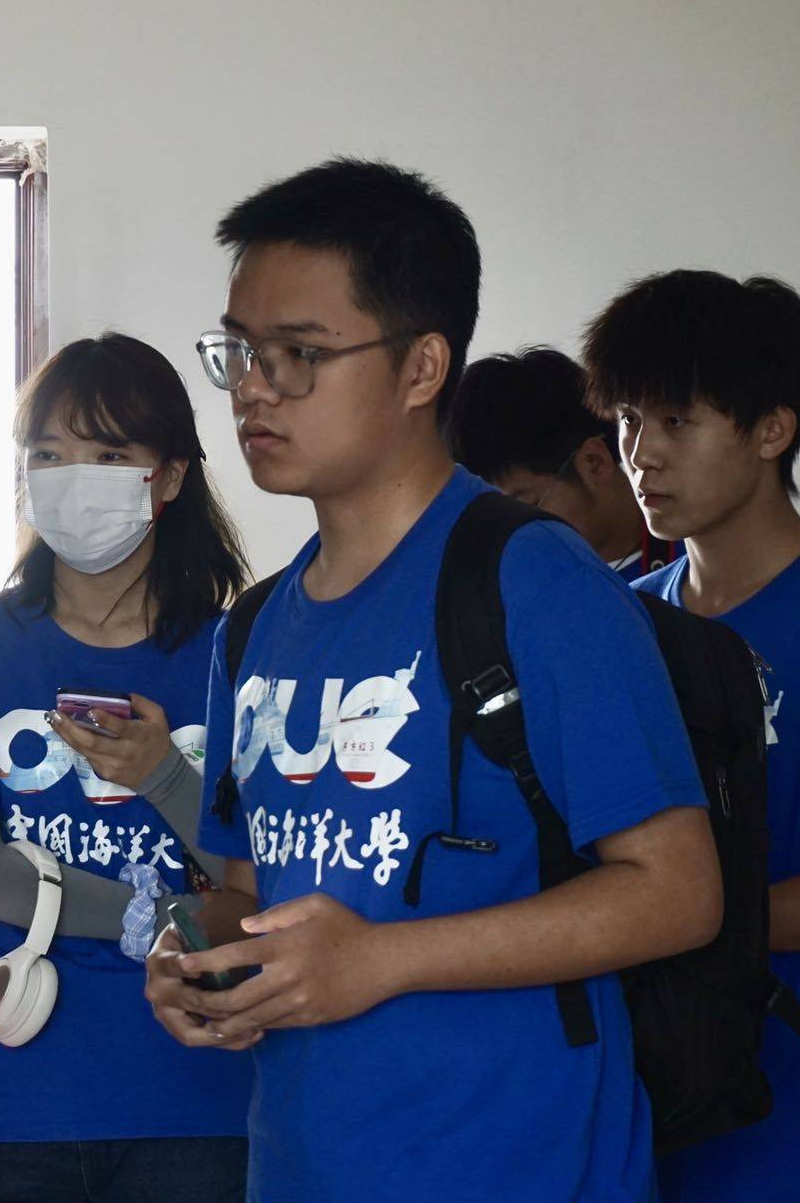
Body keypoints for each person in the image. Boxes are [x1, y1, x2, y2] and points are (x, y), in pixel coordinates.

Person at [149, 159, 723, 1201]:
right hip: (305, 1166)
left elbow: (677, 892)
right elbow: (249, 893)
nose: (253, 388)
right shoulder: (254, 627)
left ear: (421, 367)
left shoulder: (534, 581)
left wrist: (381, 958)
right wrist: (193, 956)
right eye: (240, 350)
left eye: (300, 353)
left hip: (522, 1168)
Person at [582, 269, 800, 1203]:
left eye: (676, 422)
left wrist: (689, 919)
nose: (641, 455)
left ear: (772, 431)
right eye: (628, 420)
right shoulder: (625, 620)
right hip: (651, 1095)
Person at [0, 332, 254, 1202]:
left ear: (168, 477)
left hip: (196, 1091)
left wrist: (164, 775)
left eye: (108, 455)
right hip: (8, 1082)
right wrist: (162, 917)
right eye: (49, 453)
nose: (74, 478)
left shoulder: (240, 648)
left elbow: (254, 881)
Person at [445, 345, 677, 580]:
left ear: (594, 463)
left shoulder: (692, 561)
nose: (506, 538)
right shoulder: (516, 588)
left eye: (525, 508)